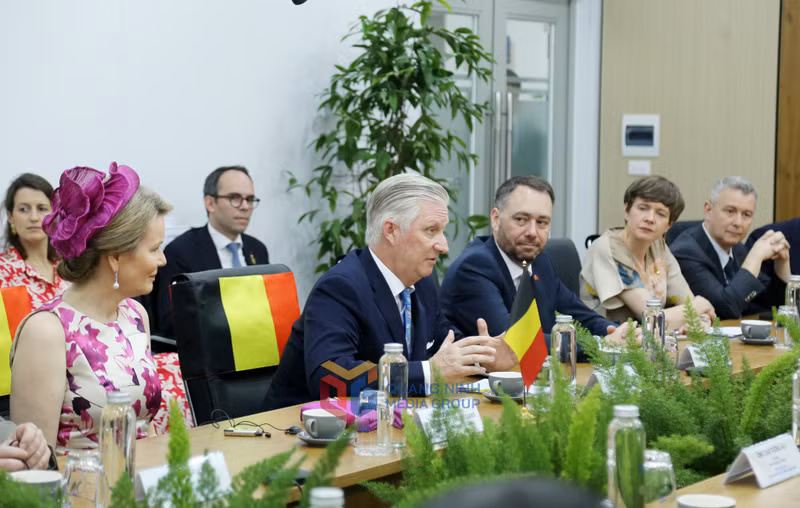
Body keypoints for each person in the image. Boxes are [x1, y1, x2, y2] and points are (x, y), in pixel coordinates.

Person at [263, 173, 511, 410]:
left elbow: (443, 343)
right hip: (300, 429)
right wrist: (427, 372)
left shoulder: (422, 282)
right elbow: (330, 377)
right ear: (391, 230)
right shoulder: (341, 287)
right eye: (430, 230)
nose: (444, 246)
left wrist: (484, 356)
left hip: (391, 423)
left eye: (442, 231)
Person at [10, 163, 168, 454]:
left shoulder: (135, 315)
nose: (163, 260)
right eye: (154, 248)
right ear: (116, 256)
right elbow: (34, 462)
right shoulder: (46, 332)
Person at [440, 176, 633, 356]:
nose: (532, 232)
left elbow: (578, 314)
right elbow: (515, 341)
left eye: (542, 222)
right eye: (521, 220)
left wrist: (618, 333)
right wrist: (601, 344)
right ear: (496, 219)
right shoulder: (474, 267)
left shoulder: (539, 261)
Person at [581, 176, 716, 329]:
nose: (650, 218)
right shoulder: (607, 248)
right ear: (627, 211)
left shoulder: (658, 247)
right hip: (605, 339)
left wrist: (702, 321)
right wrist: (701, 305)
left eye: (661, 213)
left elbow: (689, 303)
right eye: (643, 208)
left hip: (647, 339)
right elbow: (651, 318)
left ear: (669, 225)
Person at [155, 165, 269, 337]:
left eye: (250, 199)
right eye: (235, 198)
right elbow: (170, 321)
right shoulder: (180, 251)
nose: (245, 206)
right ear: (210, 203)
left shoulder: (258, 249)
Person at [671, 177, 790, 319]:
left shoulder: (738, 249)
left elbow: (769, 304)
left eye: (746, 215)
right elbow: (725, 310)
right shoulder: (685, 253)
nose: (738, 223)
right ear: (708, 210)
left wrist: (782, 266)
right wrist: (755, 257)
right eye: (730, 211)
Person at [1, 174, 69, 308]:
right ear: (10, 217)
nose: (34, 217)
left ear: (54, 215)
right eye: (23, 209)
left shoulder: (69, 267)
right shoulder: (3, 271)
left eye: (42, 208)